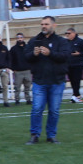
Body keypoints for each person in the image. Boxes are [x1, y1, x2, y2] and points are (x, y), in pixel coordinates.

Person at [23, 16, 71, 144]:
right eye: (42, 24)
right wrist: (34, 54)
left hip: (57, 81)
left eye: (46, 24)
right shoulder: (34, 41)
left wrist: (50, 53)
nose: (44, 26)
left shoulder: (61, 41)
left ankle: (51, 135)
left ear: (53, 26)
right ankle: (34, 135)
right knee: (37, 109)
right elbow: (26, 57)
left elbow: (65, 56)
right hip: (39, 81)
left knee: (54, 110)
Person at [64, 27, 83, 103]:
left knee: (76, 80)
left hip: (78, 64)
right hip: (69, 64)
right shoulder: (66, 42)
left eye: (69, 33)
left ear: (74, 33)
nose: (67, 35)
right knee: (72, 81)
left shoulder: (80, 41)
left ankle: (76, 95)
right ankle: (76, 95)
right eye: (66, 33)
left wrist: (79, 53)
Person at [9, 31, 33, 104]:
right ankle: (17, 100)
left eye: (21, 37)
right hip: (18, 71)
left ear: (23, 38)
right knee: (17, 87)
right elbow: (10, 59)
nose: (19, 39)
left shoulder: (28, 47)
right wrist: (13, 69)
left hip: (27, 70)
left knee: (27, 87)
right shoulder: (13, 49)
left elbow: (32, 57)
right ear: (16, 39)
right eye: (18, 38)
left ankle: (28, 99)